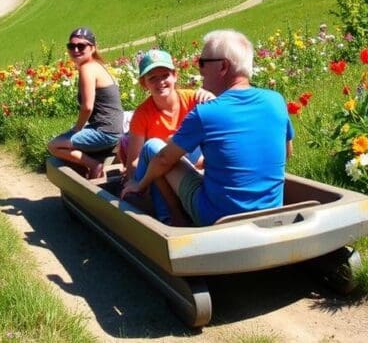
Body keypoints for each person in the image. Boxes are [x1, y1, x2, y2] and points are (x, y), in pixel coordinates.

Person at [121, 29, 294, 226]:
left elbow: (162, 159)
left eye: (202, 62)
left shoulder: (206, 113)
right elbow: (287, 152)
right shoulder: (276, 100)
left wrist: (139, 184)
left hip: (216, 217)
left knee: (153, 148)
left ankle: (171, 220)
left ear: (223, 66)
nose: (199, 70)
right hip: (272, 212)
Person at [120, 49, 214, 222]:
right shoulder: (142, 114)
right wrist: (134, 182)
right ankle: (169, 218)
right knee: (156, 151)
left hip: (183, 163)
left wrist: (211, 97)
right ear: (144, 83)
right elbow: (134, 160)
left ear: (175, 76)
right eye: (152, 78)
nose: (160, 82)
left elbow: (218, 123)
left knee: (179, 149)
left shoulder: (193, 99)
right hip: (155, 173)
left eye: (165, 75)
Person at [47, 27, 124, 179]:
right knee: (66, 137)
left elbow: (87, 107)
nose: (75, 49)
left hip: (104, 132)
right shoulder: (97, 66)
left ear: (93, 48)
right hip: (113, 129)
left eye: (81, 46)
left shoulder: (87, 69)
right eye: (71, 46)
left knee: (54, 145)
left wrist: (77, 129)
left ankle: (94, 165)